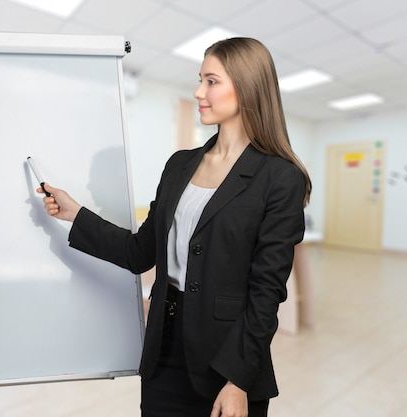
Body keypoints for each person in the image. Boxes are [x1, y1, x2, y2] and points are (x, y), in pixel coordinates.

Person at [37, 37, 311, 417]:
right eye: (201, 79)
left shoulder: (280, 178)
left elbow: (266, 295)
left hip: (227, 361)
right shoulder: (180, 165)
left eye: (211, 81)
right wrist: (75, 214)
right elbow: (139, 252)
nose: (199, 91)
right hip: (164, 352)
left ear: (247, 86)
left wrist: (238, 381)